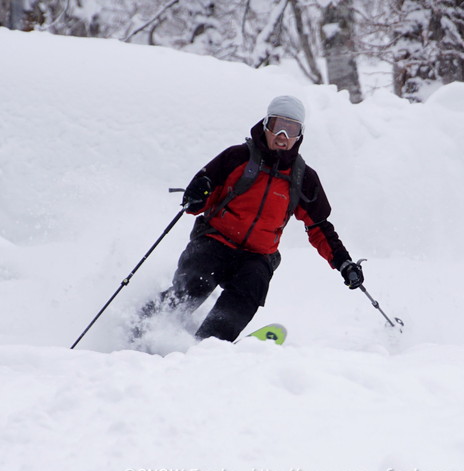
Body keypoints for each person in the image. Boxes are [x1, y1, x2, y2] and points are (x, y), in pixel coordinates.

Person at [138, 95, 364, 343]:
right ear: (266, 125)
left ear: (300, 135)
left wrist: (344, 263)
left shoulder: (303, 178)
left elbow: (320, 227)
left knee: (252, 285)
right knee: (194, 285)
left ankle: (208, 343)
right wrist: (197, 194)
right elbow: (196, 200)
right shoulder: (236, 158)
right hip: (214, 241)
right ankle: (143, 326)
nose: (283, 136)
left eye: (292, 130)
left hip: (257, 255)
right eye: (278, 126)